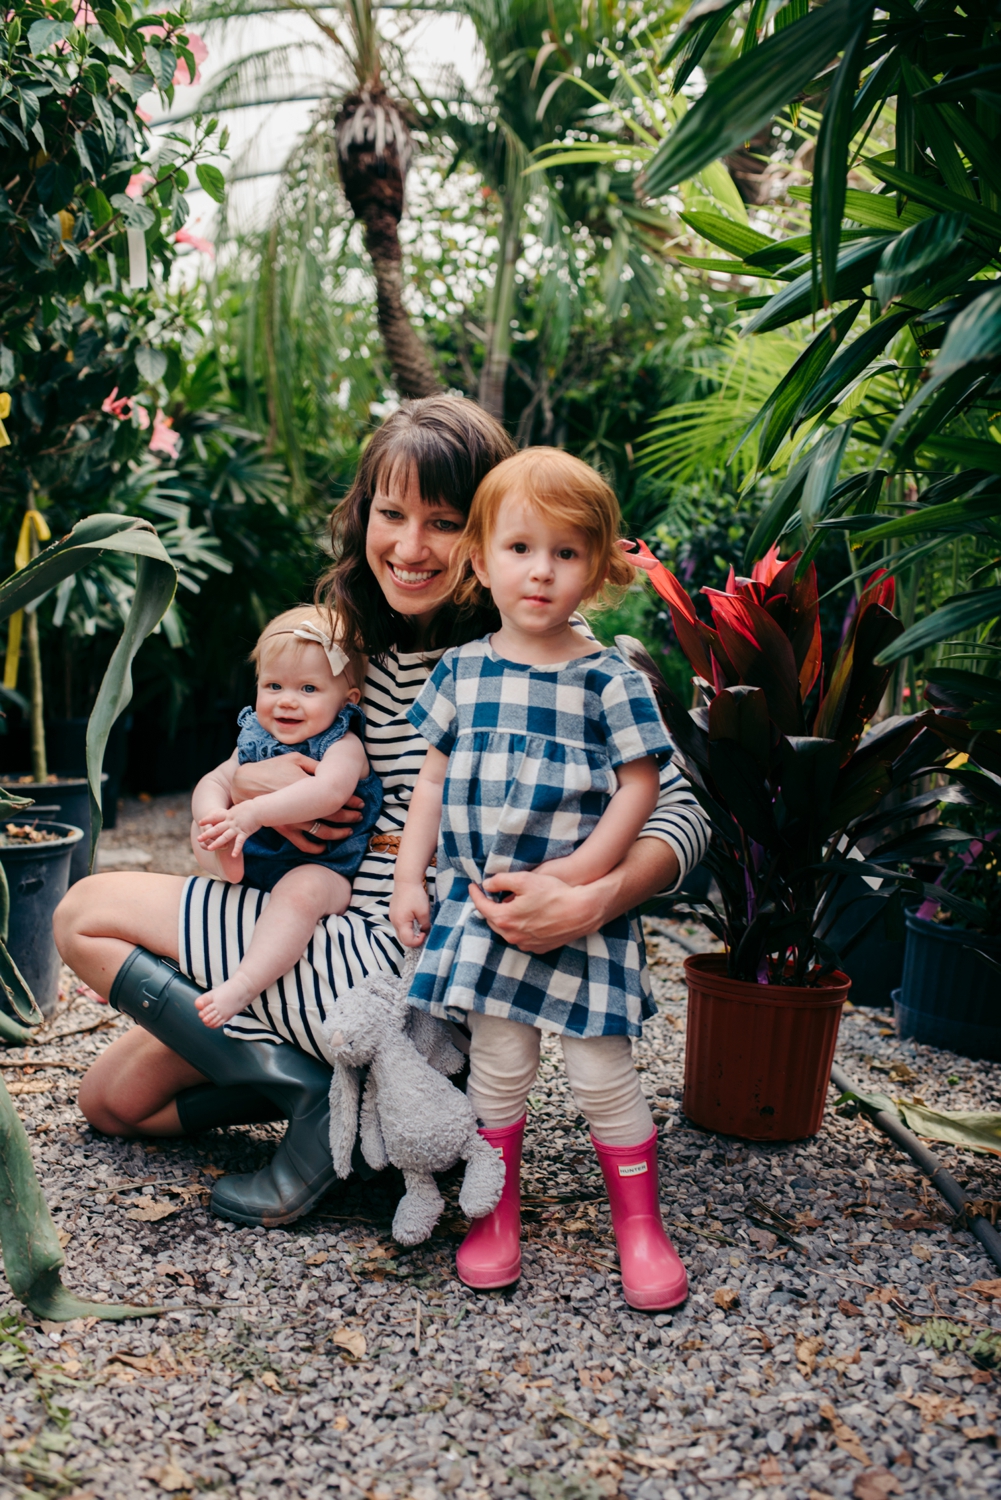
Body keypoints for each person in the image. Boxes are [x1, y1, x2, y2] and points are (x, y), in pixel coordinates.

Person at [54, 396, 709, 1234]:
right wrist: (236, 796)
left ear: (485, 530)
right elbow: (269, 742)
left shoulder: (542, 648)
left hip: (411, 961)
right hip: (323, 917)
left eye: (441, 522)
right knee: (112, 1100)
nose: (408, 547)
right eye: (390, 514)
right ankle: (344, 1106)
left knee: (83, 912)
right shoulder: (355, 637)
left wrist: (592, 900)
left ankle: (326, 1102)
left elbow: (681, 815)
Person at [390, 448, 687, 1310]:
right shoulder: (462, 671)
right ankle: (494, 1211)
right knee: (499, 1067)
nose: (541, 570)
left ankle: (639, 1225)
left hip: (580, 916)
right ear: (478, 561)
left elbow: (641, 784)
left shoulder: (609, 679)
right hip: (482, 911)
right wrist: (414, 876)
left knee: (602, 1075)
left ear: (597, 569)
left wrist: (587, 875)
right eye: (520, 548)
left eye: (566, 552)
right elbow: (432, 784)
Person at [190, 606, 383, 1028]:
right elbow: (215, 781)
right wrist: (214, 817)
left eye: (309, 688)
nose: (287, 701)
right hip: (256, 857)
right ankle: (227, 865)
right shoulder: (255, 737)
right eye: (273, 685)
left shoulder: (342, 744)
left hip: (324, 867)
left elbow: (328, 792)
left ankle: (243, 984)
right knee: (201, 828)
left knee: (299, 893)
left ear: (348, 699)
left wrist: (254, 811)